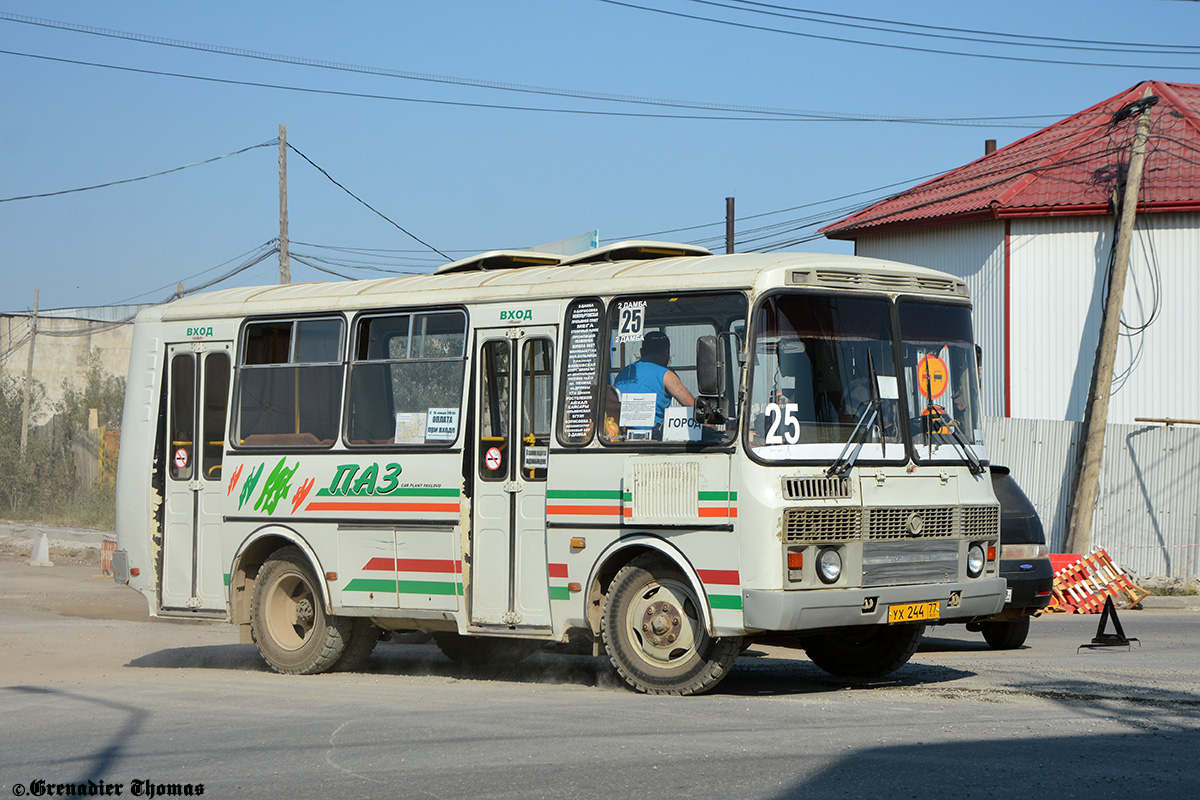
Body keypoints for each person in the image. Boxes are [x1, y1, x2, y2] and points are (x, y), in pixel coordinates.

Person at [612, 331, 694, 436]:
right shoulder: (667, 375)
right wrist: (712, 428)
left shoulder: (623, 373)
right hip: (654, 439)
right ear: (666, 352)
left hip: (622, 436)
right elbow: (692, 406)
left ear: (641, 352)